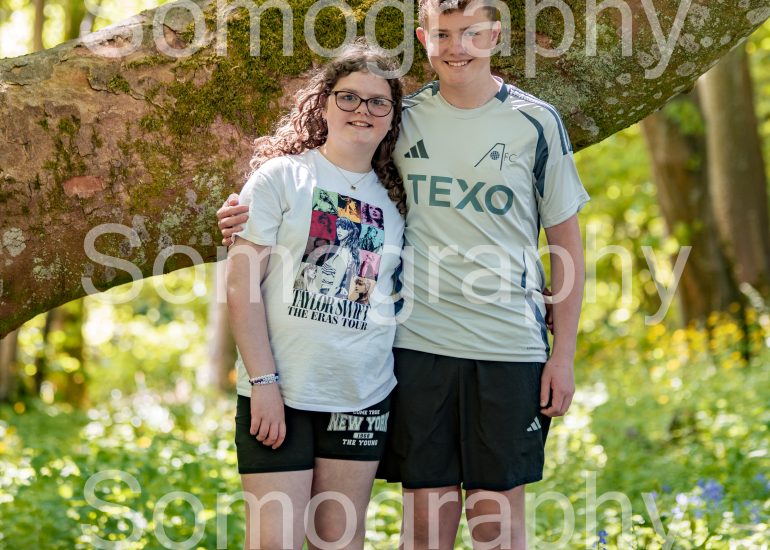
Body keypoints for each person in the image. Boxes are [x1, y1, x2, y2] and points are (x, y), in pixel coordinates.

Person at [220, 0, 588, 547]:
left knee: (496, 519)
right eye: (443, 34)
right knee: (425, 522)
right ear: (423, 38)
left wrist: (564, 354)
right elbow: (329, 170)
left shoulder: (534, 123)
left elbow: (566, 244)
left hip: (508, 345)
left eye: (471, 33)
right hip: (416, 346)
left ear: (495, 35)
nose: (456, 47)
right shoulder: (403, 116)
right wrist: (244, 214)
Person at [225, 41, 406, 550]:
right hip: (279, 390)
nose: (362, 110)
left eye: (378, 102)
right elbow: (241, 285)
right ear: (323, 103)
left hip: (362, 393)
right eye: (348, 97)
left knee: (340, 542)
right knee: (273, 542)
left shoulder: (398, 199)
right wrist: (263, 381)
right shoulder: (283, 176)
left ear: (392, 117)